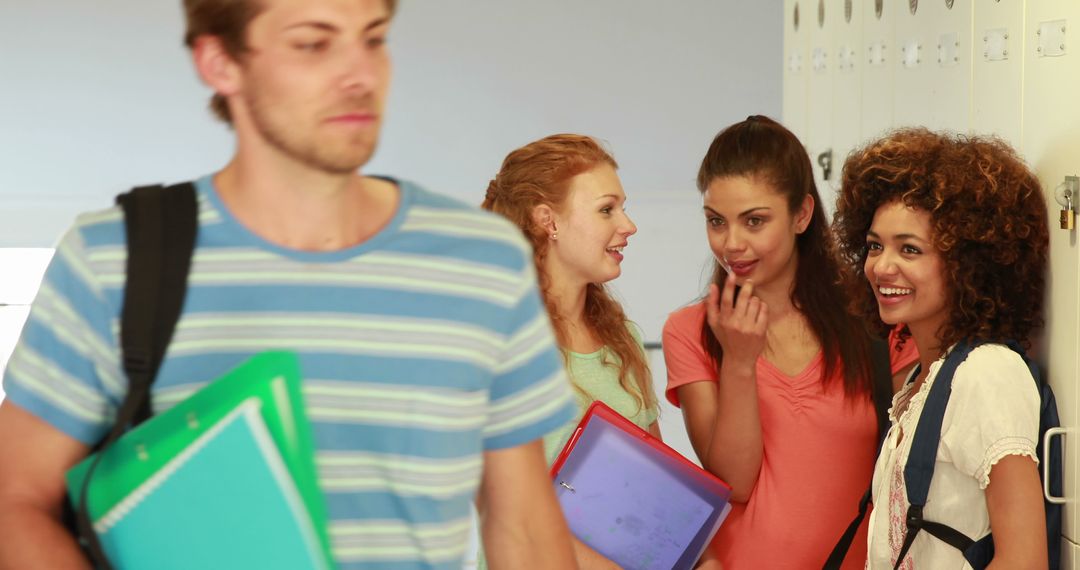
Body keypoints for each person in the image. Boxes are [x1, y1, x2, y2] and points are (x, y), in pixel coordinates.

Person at [0, 1, 580, 569]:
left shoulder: (484, 261)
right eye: (313, 43)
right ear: (220, 62)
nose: (360, 75)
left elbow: (523, 525)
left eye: (373, 38)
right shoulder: (116, 257)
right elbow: (14, 502)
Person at [661, 115, 917, 568]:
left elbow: (911, 468)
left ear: (801, 214)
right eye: (716, 221)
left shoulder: (873, 320)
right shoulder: (690, 330)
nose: (731, 244)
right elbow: (734, 482)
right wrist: (739, 362)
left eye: (754, 221)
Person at [833, 128, 1049, 568]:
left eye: (909, 249)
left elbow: (1024, 560)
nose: (881, 267)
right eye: (875, 246)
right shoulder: (925, 378)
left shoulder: (986, 373)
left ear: (966, 263)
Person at [479, 133, 664, 569]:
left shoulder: (625, 341)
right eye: (607, 209)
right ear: (549, 221)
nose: (628, 224)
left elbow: (660, 489)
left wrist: (701, 556)